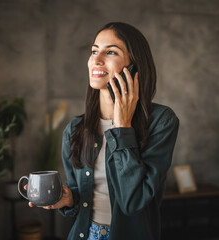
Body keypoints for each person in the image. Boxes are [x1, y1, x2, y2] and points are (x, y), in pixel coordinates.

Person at [29, 22, 179, 240]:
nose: (96, 60)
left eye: (110, 52)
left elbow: (134, 201)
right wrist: (69, 200)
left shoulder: (162, 121)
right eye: (93, 51)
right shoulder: (74, 129)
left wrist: (123, 126)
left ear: (134, 66)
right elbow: (80, 197)